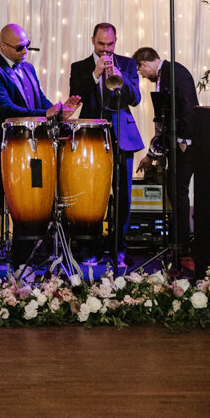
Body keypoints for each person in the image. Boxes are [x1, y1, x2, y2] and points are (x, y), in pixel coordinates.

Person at [0, 24, 78, 269]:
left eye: (27, 45)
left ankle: (22, 264)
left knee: (28, 211)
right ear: (3, 46)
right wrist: (46, 112)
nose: (25, 51)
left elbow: (39, 101)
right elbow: (5, 110)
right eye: (19, 47)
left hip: (28, 151)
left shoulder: (28, 68)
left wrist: (60, 112)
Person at [69, 22, 144, 252]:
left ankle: (118, 247)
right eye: (101, 44)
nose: (105, 50)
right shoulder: (80, 66)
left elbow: (135, 99)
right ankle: (89, 247)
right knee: (90, 193)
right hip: (91, 137)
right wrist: (95, 74)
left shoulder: (128, 63)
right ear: (93, 40)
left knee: (123, 194)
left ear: (116, 41)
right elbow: (76, 95)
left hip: (122, 135)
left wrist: (119, 76)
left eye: (110, 44)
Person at [132, 45, 199, 257]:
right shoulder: (165, 74)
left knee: (178, 190)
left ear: (143, 63)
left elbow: (187, 108)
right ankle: (177, 240)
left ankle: (182, 243)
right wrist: (152, 154)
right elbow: (163, 119)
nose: (142, 76)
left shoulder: (174, 73)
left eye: (140, 71)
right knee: (174, 189)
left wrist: (184, 140)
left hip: (183, 143)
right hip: (175, 142)